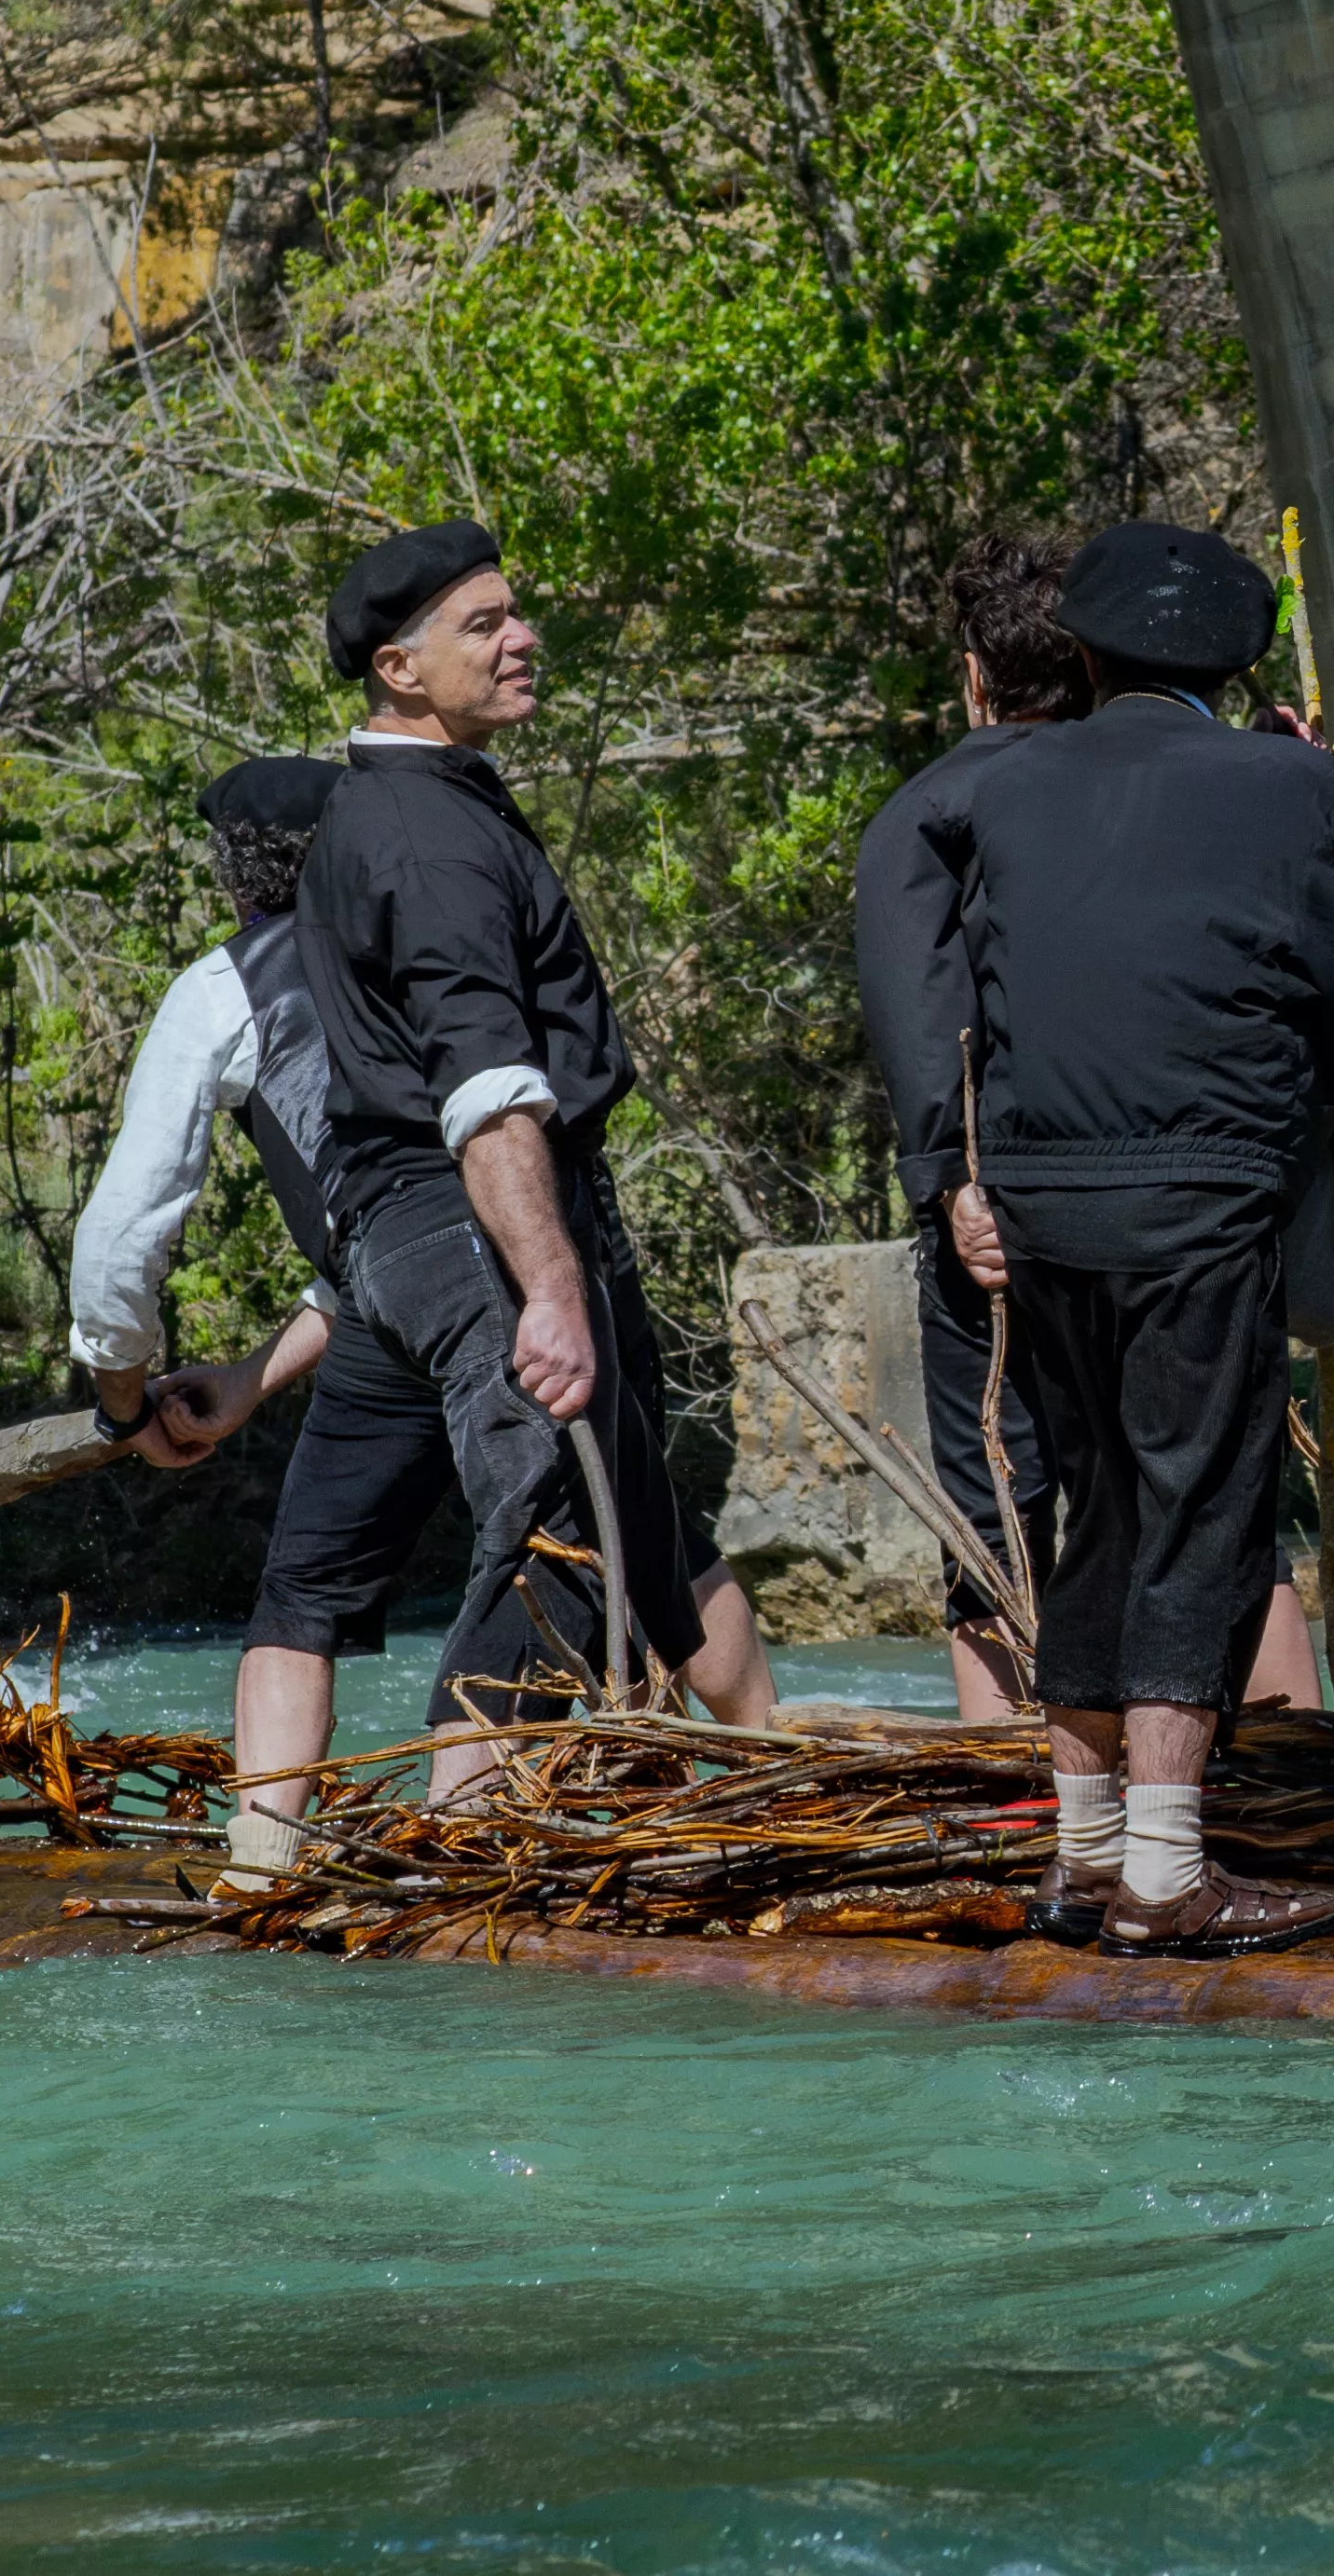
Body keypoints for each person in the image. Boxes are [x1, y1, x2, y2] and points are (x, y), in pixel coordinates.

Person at [943, 519, 1334, 1954]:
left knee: (1101, 1504)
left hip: (1036, 1206)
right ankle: (1164, 1867)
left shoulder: (1005, 791)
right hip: (1199, 1198)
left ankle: (1085, 1848)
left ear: (1080, 653)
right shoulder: (1291, 786)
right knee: (1202, 1514)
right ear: (1237, 665)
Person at [269, 520, 778, 1816]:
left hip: (400, 1246)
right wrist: (549, 1283)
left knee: (637, 1527)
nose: (521, 637)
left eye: (514, 612)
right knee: (555, 1534)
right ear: (398, 667)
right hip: (479, 1227)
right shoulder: (426, 835)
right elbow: (485, 1089)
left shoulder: (402, 806)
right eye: (482, 625)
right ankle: (455, 1844)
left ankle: (771, 1762)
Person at [856, 536, 1334, 1751]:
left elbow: (926, 1016)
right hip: (1182, 1191)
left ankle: (1032, 1790)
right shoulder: (1182, 782)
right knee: (1200, 1481)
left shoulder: (942, 804)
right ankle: (1268, 1747)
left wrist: (951, 1182)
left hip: (1010, 1197)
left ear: (973, 676)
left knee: (1005, 1493)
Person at [59, 757, 355, 1874]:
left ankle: (264, 1872)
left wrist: (122, 1396)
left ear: (234, 872)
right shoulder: (439, 947)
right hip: (546, 1286)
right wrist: (252, 1377)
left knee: (302, 1597)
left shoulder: (230, 985)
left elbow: (123, 1235)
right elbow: (407, 1236)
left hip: (410, 1331)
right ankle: (764, 1762)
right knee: (642, 1553)